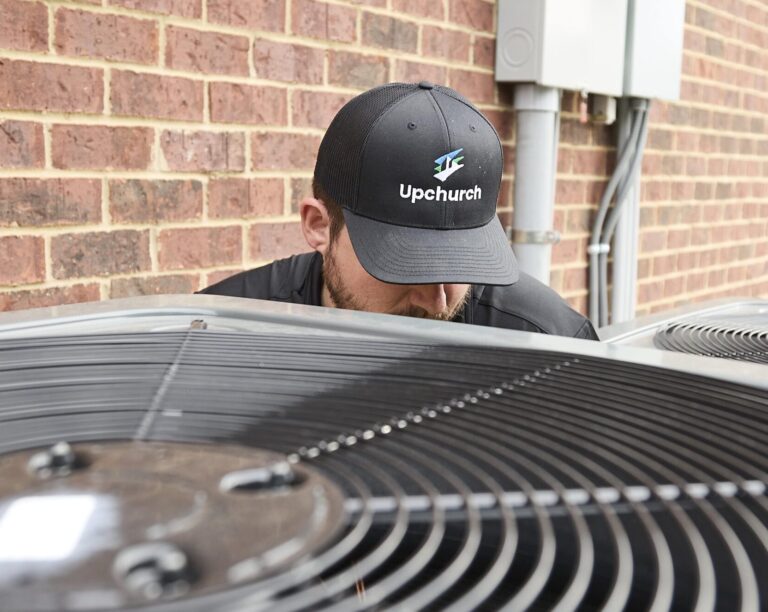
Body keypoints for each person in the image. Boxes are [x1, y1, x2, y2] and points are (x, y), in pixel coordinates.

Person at [201, 82, 598, 340]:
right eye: (406, 265)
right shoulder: (222, 331)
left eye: (460, 265)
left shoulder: (548, 342)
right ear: (319, 225)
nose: (438, 302)